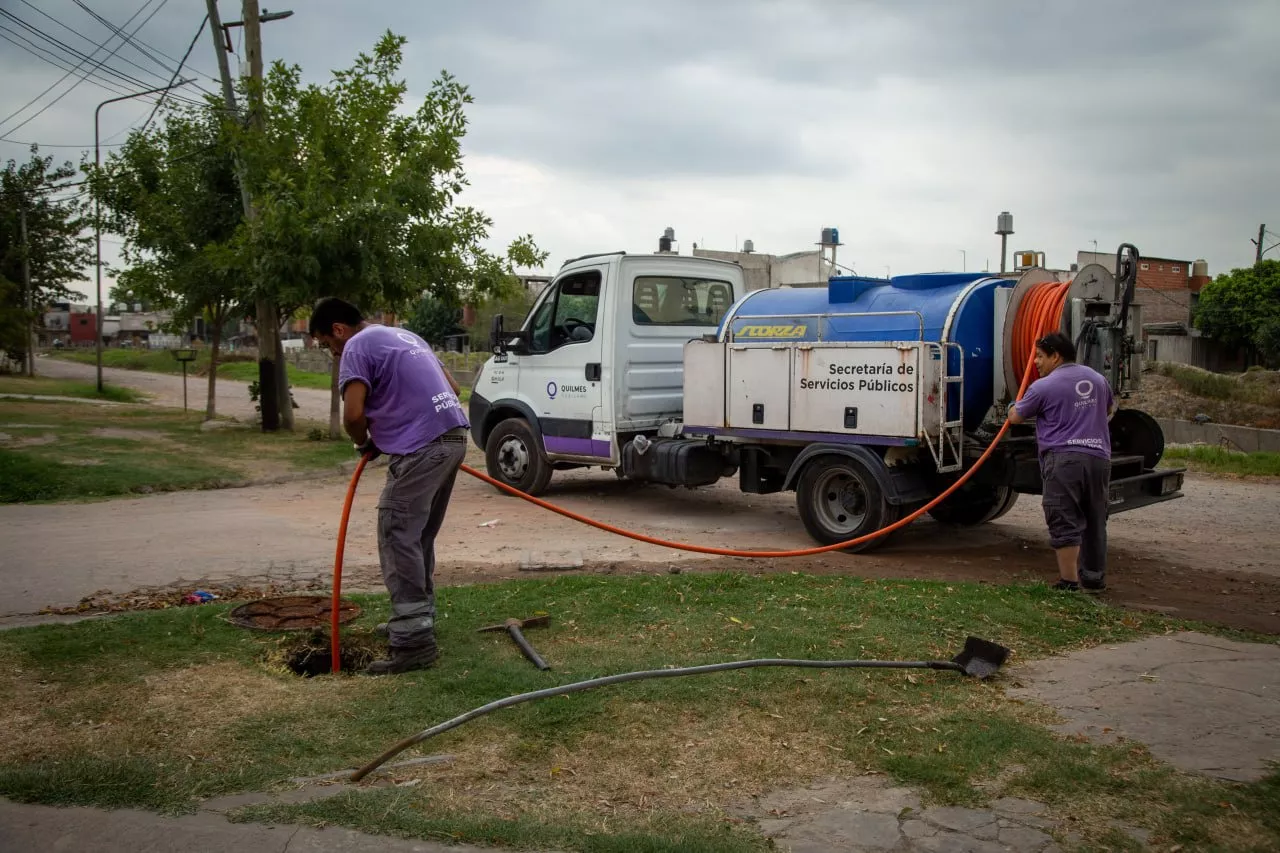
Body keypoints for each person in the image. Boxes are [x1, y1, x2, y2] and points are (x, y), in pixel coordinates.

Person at [308, 298, 469, 674]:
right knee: (417, 537)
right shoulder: (406, 335)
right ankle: (417, 621)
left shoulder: (355, 346)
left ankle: (413, 643)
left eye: (325, 344)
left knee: (397, 533)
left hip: (422, 448)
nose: (331, 353)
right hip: (454, 438)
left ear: (338, 329)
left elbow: (352, 416)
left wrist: (365, 440)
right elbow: (454, 387)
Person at [1007, 332, 1117, 592]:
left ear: (1056, 356)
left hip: (1064, 460)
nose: (1036, 362)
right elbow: (1109, 409)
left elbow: (1015, 418)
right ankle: (1094, 579)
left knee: (1063, 516)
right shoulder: (1098, 379)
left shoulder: (1043, 386)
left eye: (1040, 356)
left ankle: (1068, 583)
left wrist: (1013, 404)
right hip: (1099, 458)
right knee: (1094, 518)